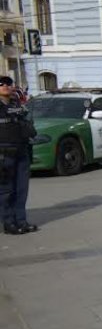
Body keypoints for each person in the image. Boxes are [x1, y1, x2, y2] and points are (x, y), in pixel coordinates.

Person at [0, 75, 37, 235]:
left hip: (21, 150)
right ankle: (9, 223)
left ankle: (21, 221)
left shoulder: (17, 104)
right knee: (6, 190)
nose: (6, 86)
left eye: (9, 83)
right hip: (4, 154)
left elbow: (28, 123)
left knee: (21, 189)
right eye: (2, 84)